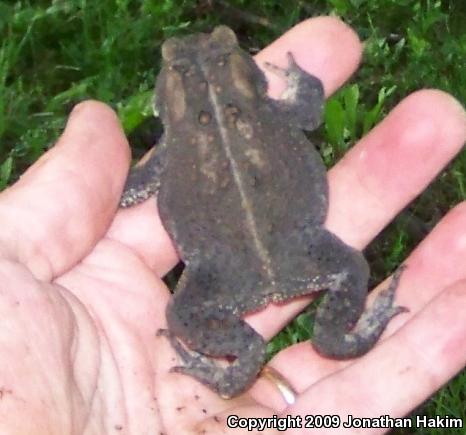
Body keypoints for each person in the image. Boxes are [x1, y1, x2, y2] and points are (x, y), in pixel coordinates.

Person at [0, 17, 464, 434]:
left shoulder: (172, 150)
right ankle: (341, 337)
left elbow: (125, 192)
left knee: (183, 317)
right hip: (296, 248)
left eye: (223, 46)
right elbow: (311, 109)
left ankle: (239, 359)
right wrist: (301, 81)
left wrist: (119, 176)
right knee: (348, 268)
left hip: (228, 273)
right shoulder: (273, 114)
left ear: (166, 98)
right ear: (247, 77)